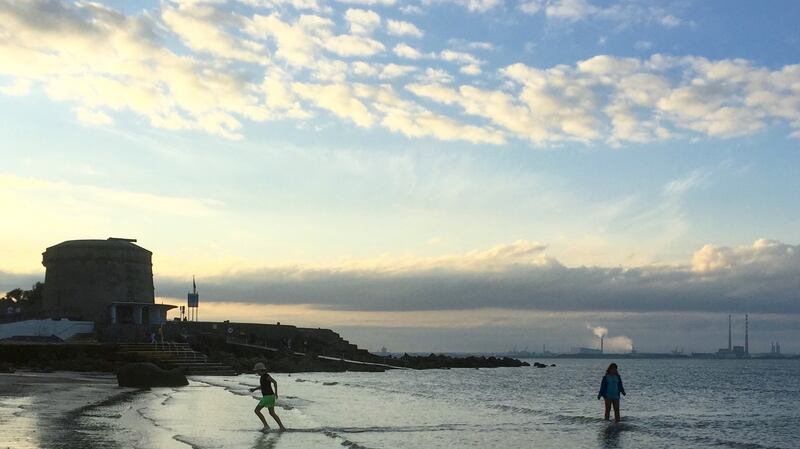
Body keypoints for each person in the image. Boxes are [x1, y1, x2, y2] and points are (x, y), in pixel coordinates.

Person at [249, 362, 286, 432]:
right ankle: (282, 427)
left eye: (257, 371)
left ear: (260, 370)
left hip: (268, 397)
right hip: (269, 396)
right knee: (272, 413)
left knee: (257, 410)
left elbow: (275, 382)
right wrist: (254, 389)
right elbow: (262, 386)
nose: (257, 372)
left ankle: (266, 426)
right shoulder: (262, 377)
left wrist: (276, 393)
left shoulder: (266, 376)